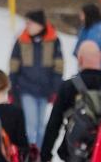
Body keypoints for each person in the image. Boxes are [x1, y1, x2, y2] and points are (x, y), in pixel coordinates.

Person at [8, 9, 64, 145]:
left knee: (40, 124)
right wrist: (12, 87)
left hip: (45, 90)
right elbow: (14, 65)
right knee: (31, 123)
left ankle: (38, 153)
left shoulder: (53, 41)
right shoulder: (21, 40)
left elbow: (58, 67)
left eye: (30, 23)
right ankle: (29, 153)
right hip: (26, 88)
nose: (27, 26)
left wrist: (56, 89)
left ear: (40, 24)